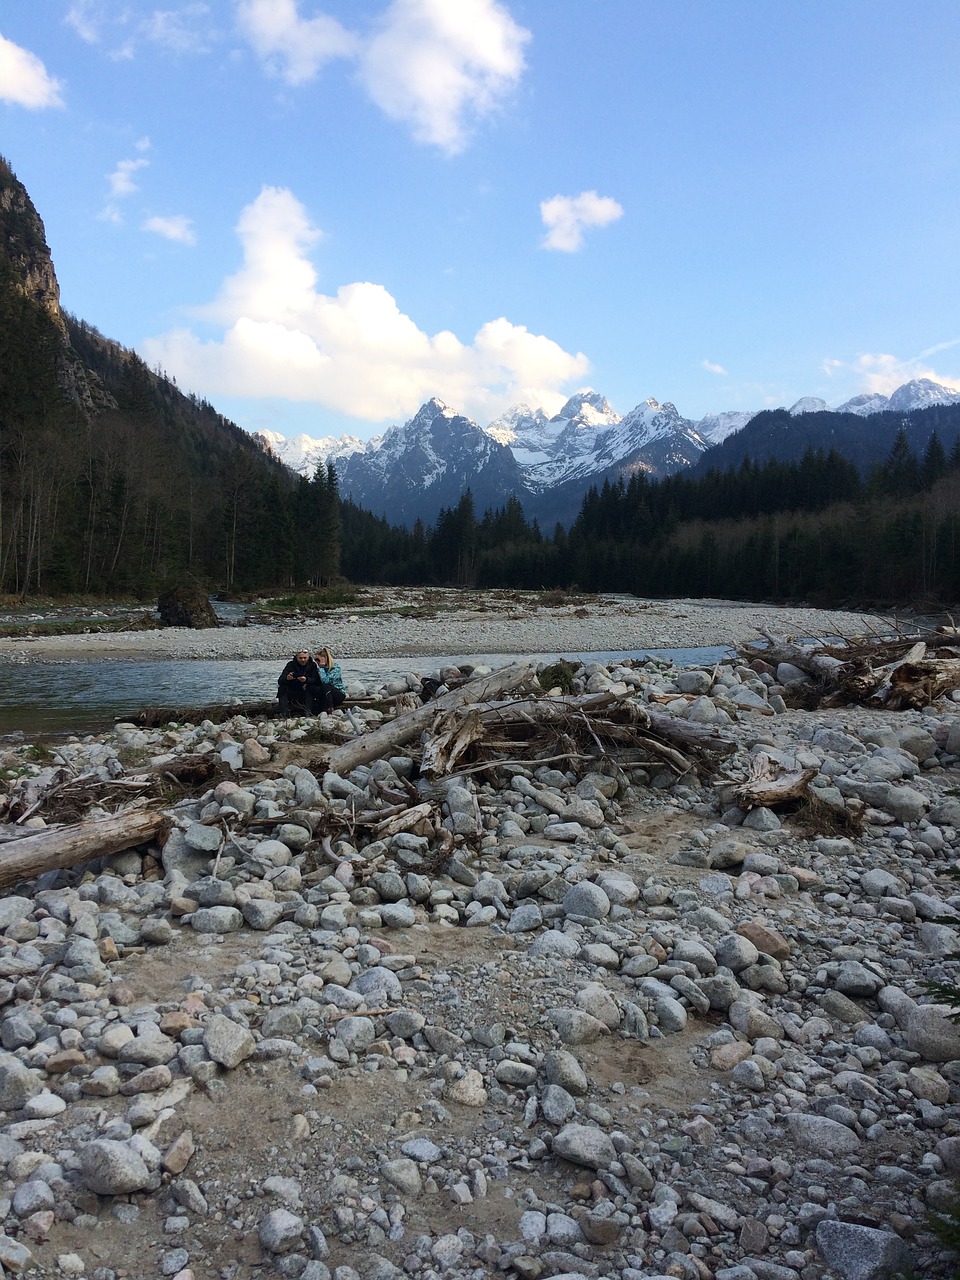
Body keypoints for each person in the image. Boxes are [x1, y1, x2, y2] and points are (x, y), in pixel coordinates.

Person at [277, 649, 320, 715]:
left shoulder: (312, 665)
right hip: (293, 691)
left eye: (305, 658)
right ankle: (283, 712)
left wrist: (307, 680)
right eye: (300, 658)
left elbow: (316, 679)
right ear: (296, 658)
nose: (303, 660)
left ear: (308, 657)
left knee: (311, 687)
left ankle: (308, 712)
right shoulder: (290, 665)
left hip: (306, 692)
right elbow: (280, 681)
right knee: (282, 688)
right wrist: (287, 678)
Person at [314, 646, 346, 712]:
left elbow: (325, 681)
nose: (317, 662)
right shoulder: (318, 670)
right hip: (325, 695)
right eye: (315, 660)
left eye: (318, 659)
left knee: (325, 686)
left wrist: (322, 668)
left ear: (325, 658)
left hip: (337, 693)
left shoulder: (335, 669)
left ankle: (330, 708)